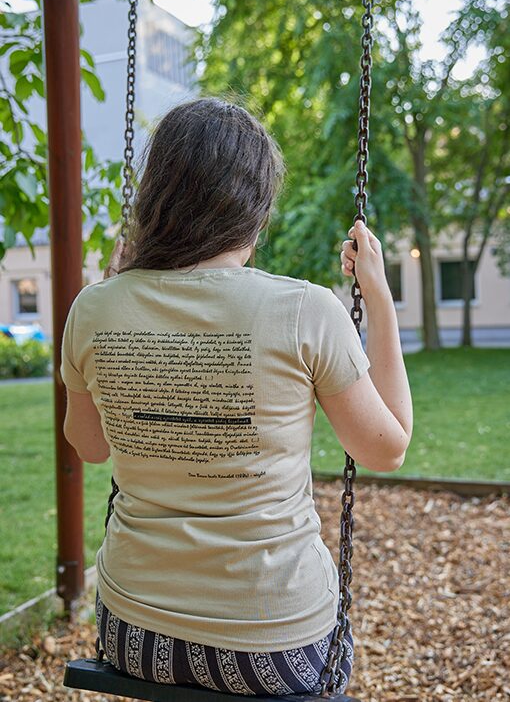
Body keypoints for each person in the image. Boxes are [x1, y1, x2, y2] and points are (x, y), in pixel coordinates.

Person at [60, 96, 413, 697]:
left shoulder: (93, 308)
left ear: (155, 197)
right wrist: (377, 298)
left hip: (135, 634)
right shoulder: (304, 309)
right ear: (255, 206)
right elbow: (387, 449)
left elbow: (89, 447)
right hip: (274, 645)